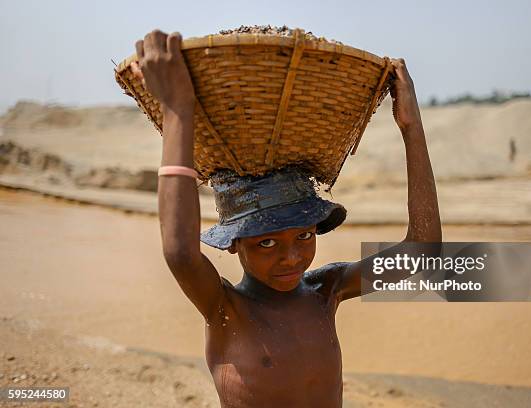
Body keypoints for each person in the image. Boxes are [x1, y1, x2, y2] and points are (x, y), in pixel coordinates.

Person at [130, 29, 441, 407]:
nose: (291, 257)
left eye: (305, 237)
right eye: (266, 242)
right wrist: (179, 107)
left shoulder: (327, 291)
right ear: (233, 243)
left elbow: (421, 252)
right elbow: (180, 252)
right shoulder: (226, 309)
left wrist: (411, 128)